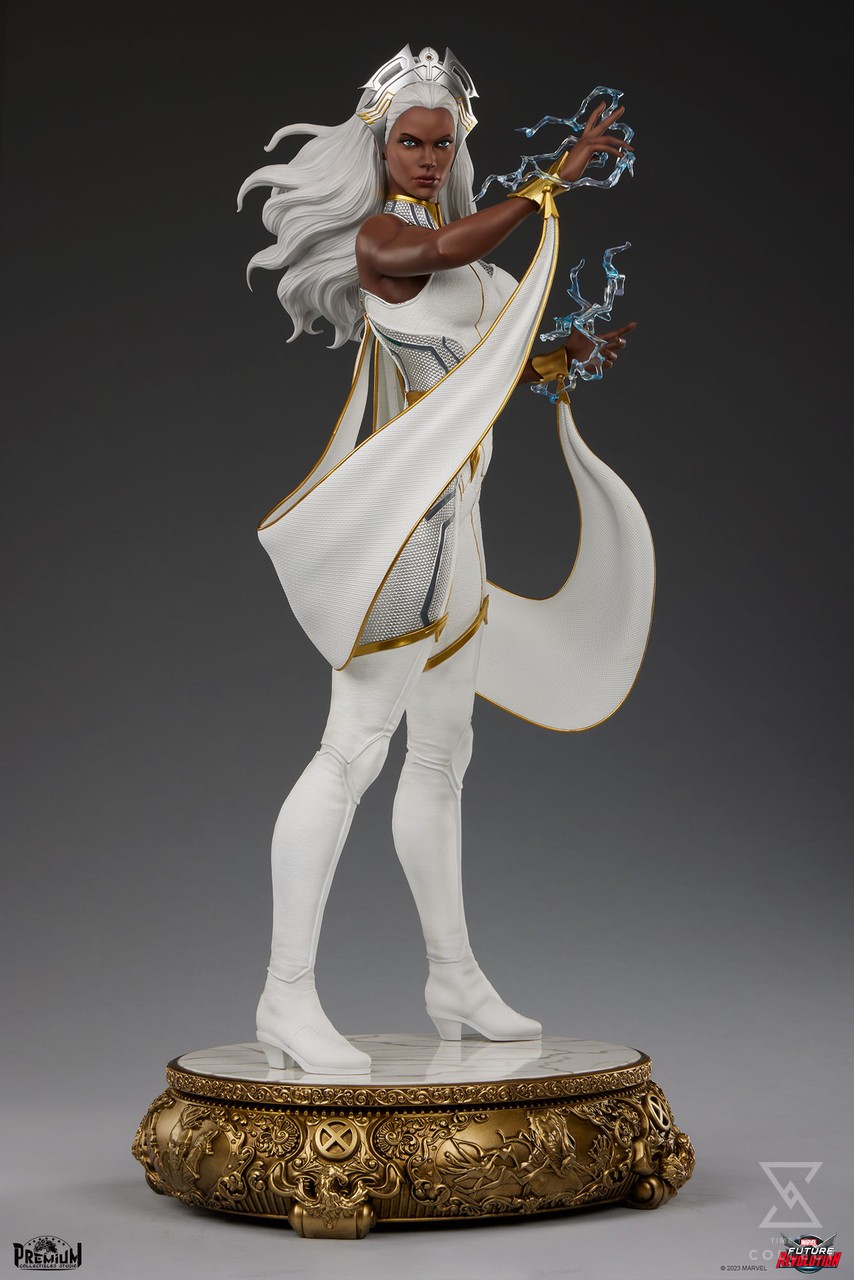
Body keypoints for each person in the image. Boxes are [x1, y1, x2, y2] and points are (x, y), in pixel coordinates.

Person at [237, 46, 653, 1075]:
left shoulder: (469, 264)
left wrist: (560, 357)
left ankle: (452, 977)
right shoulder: (386, 239)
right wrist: (550, 183)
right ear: (382, 150)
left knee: (442, 754)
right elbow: (441, 252)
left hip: (457, 538)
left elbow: (488, 356)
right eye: (410, 143)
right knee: (350, 752)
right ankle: (284, 991)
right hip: (398, 545)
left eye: (441, 142)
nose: (427, 157)